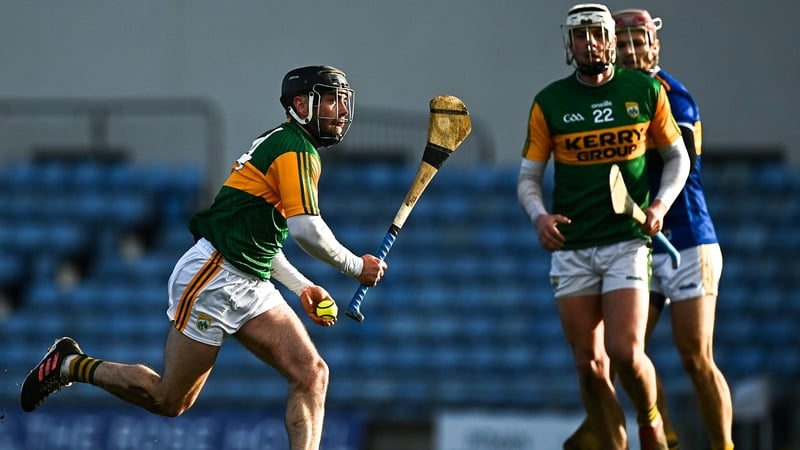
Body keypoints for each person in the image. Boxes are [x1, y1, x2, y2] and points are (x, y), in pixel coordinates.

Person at [20, 65, 388, 450]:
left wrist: (302, 287)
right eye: (330, 100)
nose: (341, 111)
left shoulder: (286, 145)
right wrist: (355, 267)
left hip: (251, 281)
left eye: (343, 101)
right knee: (169, 400)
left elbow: (259, 240)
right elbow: (306, 230)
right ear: (301, 104)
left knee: (312, 373)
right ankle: (69, 364)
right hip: (214, 276)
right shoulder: (294, 150)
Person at [516, 4, 690, 450]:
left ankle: (651, 421)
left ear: (612, 39)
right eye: (580, 36)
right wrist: (539, 216)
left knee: (625, 353)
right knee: (590, 367)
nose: (589, 43)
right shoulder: (550, 102)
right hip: (572, 246)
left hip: (625, 242)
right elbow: (528, 178)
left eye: (597, 33)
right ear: (569, 44)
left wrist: (660, 204)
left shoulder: (644, 91)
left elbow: (678, 157)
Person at [563, 10, 734, 450]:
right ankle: (665, 434)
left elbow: (681, 161)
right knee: (624, 352)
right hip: (641, 244)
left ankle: (724, 446)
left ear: (655, 44)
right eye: (622, 44)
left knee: (695, 357)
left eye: (639, 41)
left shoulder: (673, 97)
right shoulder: (611, 98)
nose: (631, 51)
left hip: (688, 237)